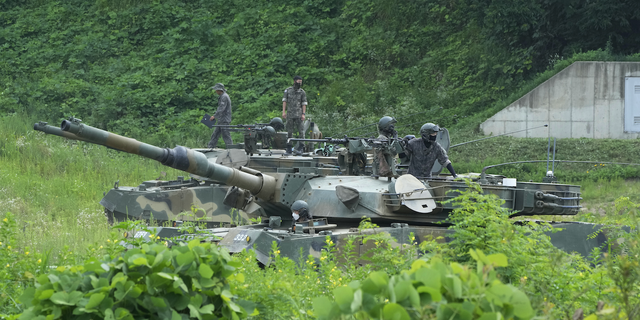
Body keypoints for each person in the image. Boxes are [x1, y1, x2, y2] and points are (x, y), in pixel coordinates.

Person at [282, 75, 308, 155]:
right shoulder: (288, 91)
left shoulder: (302, 92)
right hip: (290, 114)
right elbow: (284, 101)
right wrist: (283, 112)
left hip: (299, 115)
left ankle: (301, 147)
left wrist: (303, 114)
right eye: (298, 81)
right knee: (289, 132)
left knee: (301, 131)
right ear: (294, 81)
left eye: (301, 82)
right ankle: (289, 147)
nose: (299, 83)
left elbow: (304, 103)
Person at [207, 83, 233, 148]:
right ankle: (211, 146)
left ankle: (231, 148)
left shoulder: (224, 97)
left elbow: (222, 108)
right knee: (215, 133)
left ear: (219, 90)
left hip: (224, 119)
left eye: (216, 90)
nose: (216, 91)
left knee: (226, 134)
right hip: (221, 119)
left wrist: (214, 116)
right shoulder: (222, 96)